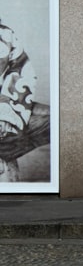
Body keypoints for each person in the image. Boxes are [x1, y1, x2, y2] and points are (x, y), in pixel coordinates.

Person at [0, 22, 50, 182]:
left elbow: (21, 72)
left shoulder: (5, 35)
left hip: (4, 106)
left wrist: (6, 112)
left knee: (59, 119)